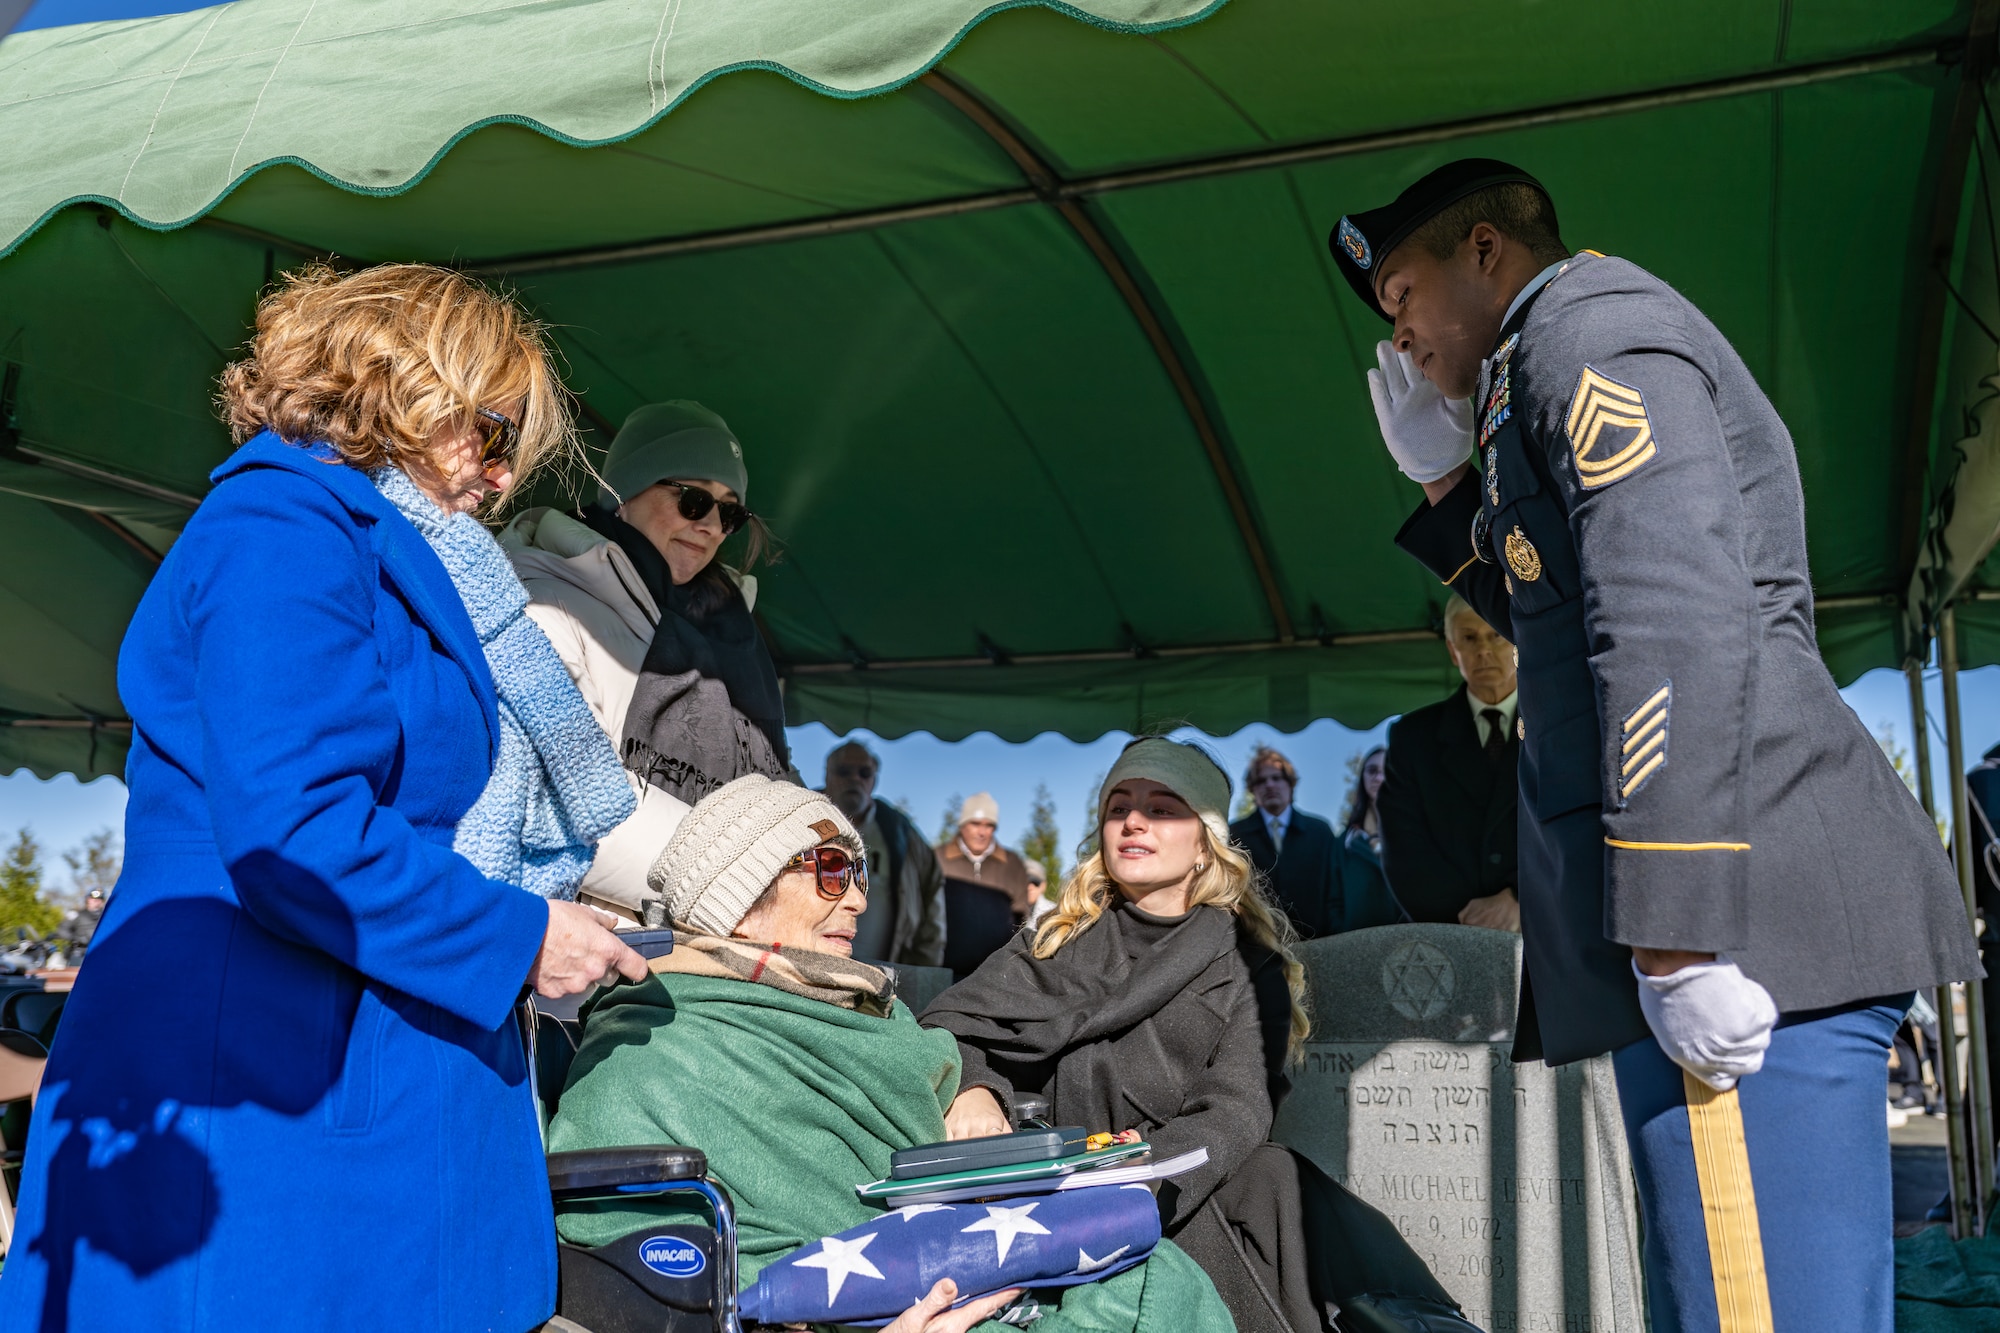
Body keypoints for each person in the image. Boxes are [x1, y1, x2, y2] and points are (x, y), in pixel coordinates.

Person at [1334, 158, 1980, 1332]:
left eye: (1401, 296)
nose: (1402, 341)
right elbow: (1557, 611)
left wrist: (1678, 929)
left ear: (1485, 253)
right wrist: (1443, 482)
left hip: (1740, 919)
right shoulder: (1534, 365)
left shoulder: (1588, 336)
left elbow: (1666, 612)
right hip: (1704, 923)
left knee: (1759, 1313)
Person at [0, 263, 649, 1331]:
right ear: (406, 390)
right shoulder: (281, 527)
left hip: (333, 1061)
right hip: (258, 1085)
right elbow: (294, 827)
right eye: (490, 439)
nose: (495, 483)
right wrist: (515, 933)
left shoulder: (352, 535)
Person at [549, 774, 1233, 1333]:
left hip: (957, 1262)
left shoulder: (860, 1011)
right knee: (1147, 1296)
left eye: (860, 870)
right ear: (741, 895)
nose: (857, 895)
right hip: (873, 1311)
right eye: (829, 869)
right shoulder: (656, 1043)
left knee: (1162, 1269)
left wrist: (975, 1087)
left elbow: (946, 1050)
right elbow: (640, 1272)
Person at [924, 738, 1476, 1333]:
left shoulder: (1248, 962)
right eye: (1118, 807)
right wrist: (975, 1088)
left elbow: (1237, 1110)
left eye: (1163, 808)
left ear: (1204, 841)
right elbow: (950, 1023)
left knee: (1273, 1177)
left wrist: (1128, 1178)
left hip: (1170, 1192)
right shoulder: (1049, 944)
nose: (1133, 821)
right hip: (1035, 1209)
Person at [501, 399, 786, 921]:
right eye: (694, 500)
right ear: (623, 493)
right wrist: (753, 881)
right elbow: (561, 799)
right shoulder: (541, 600)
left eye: (730, 513)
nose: (711, 527)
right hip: (587, 965)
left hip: (708, 948)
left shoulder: (733, 636)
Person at [1378, 595, 1521, 930]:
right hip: (1450, 939)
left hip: (1547, 928)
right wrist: (1465, 920)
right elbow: (1404, 848)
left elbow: (1579, 829)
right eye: (1469, 638)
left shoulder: (1559, 727)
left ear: (1517, 640)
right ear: (1451, 649)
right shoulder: (1412, 737)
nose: (1483, 650)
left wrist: (1520, 896)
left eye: (1495, 635)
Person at [1229, 744, 1400, 939]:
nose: (1269, 785)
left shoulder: (1320, 832)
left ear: (1291, 784)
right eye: (1261, 781)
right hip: (1257, 943)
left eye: (1277, 778)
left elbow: (1334, 892)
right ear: (1252, 789)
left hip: (1316, 943)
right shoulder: (1235, 834)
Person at [821, 737, 947, 967]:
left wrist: (922, 971)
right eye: (844, 771)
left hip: (882, 978)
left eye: (864, 772)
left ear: (874, 780)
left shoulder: (902, 834)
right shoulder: (801, 821)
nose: (854, 779)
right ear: (826, 775)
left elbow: (932, 903)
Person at [1340, 745, 1386, 855]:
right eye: (1372, 771)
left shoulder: (1416, 828)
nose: (1378, 778)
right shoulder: (1348, 839)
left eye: (1386, 771)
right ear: (1362, 777)